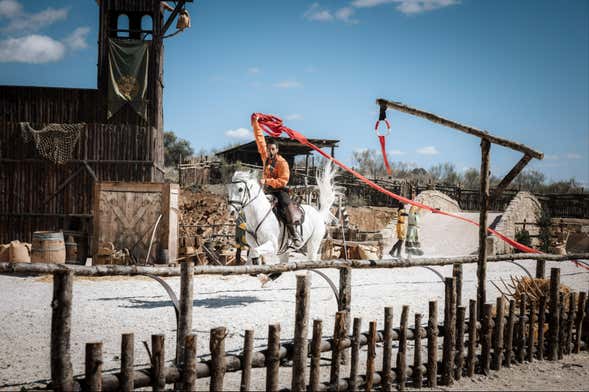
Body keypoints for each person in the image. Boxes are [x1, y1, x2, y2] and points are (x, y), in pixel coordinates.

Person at [251, 115, 303, 248]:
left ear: (277, 150)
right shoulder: (265, 157)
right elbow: (259, 139)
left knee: (286, 206)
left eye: (273, 149)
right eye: (269, 149)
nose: (270, 151)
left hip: (280, 191)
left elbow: (283, 181)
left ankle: (294, 234)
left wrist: (268, 180)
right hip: (267, 191)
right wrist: (255, 123)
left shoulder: (282, 162)